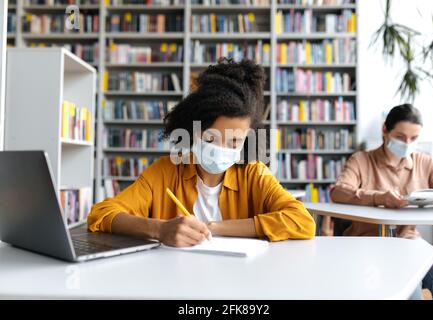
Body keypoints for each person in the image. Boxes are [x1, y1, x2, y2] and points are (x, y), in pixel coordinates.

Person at [88, 58, 315, 248]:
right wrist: (160, 229)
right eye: (211, 139)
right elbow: (101, 214)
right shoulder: (165, 172)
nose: (222, 150)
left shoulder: (254, 174)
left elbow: (303, 221)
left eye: (234, 142)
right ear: (193, 131)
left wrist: (215, 227)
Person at [331, 103, 433, 300]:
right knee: (410, 291)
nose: (407, 143)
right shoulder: (361, 160)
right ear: (385, 130)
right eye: (401, 137)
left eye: (414, 138)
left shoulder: (423, 162)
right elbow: (338, 192)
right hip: (366, 246)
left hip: (409, 244)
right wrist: (379, 197)